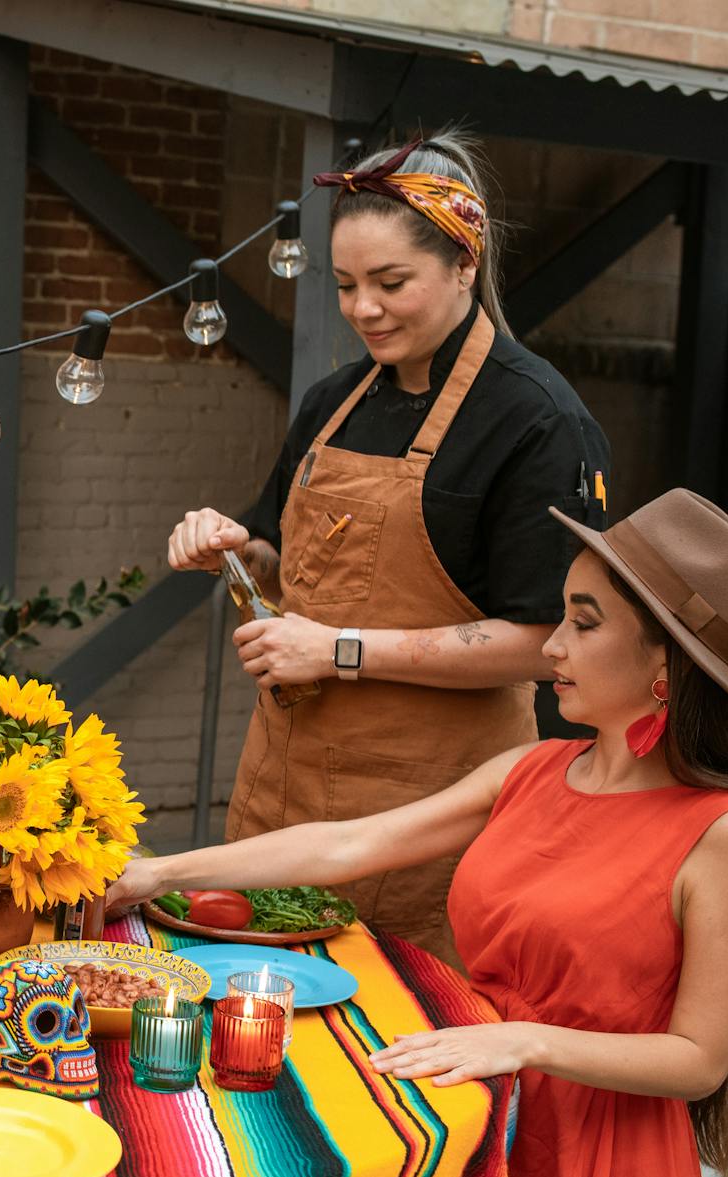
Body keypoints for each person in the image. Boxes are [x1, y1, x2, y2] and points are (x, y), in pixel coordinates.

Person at [114, 489, 728, 1177]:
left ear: (665, 662)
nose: (553, 647)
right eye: (562, 616)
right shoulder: (534, 770)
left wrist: (518, 1041)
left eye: (584, 623)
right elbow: (350, 844)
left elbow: (700, 1059)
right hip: (463, 1120)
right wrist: (160, 872)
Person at [166, 130, 615, 965]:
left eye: (390, 283)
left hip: (426, 822)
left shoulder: (535, 422)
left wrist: (335, 650)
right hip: (280, 796)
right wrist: (232, 548)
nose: (362, 309)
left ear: (463, 266)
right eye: (344, 286)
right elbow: (277, 558)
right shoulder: (334, 401)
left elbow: (542, 645)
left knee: (394, 1049)